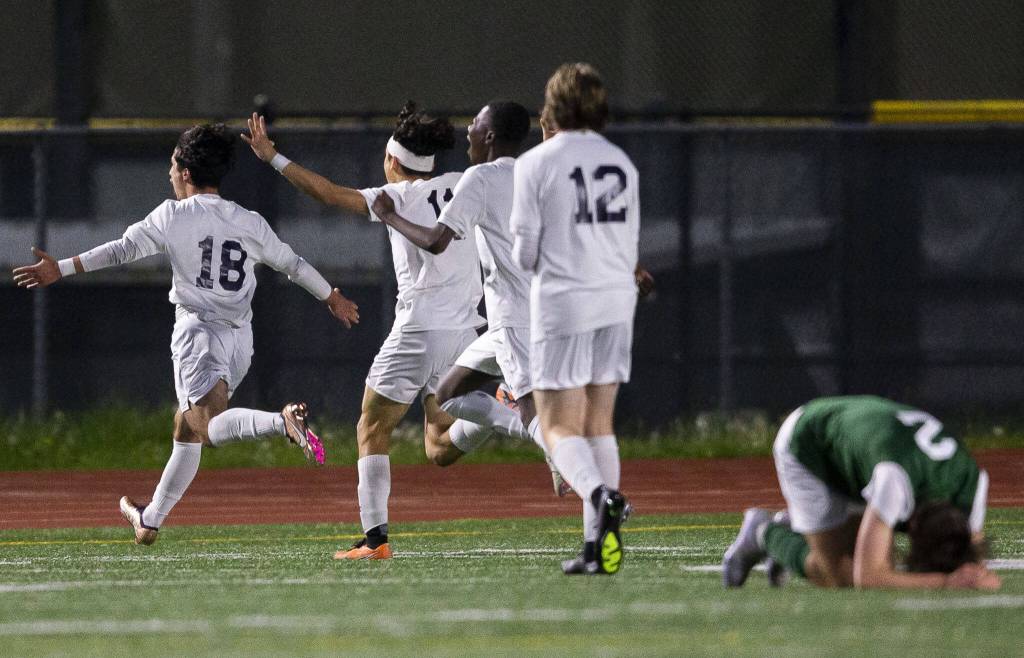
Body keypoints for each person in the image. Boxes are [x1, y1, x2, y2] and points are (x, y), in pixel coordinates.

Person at [12, 124, 359, 546]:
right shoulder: (248, 220)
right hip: (240, 341)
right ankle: (150, 518)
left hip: (198, 334)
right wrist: (332, 297)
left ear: (187, 173)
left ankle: (280, 421)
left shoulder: (173, 216)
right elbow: (295, 265)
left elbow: (122, 249)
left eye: (173, 166)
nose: (170, 174)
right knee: (184, 426)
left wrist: (60, 268)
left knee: (206, 426)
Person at [244, 103, 504, 560]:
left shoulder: (396, 197)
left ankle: (375, 540)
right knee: (440, 446)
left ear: (392, 160)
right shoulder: (466, 183)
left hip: (420, 328)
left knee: (370, 425)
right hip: (465, 328)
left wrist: (272, 158)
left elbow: (326, 193)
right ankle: (492, 408)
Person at [369, 100, 568, 494]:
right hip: (535, 315)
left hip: (516, 315)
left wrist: (389, 215)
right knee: (446, 395)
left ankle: (587, 481)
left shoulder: (480, 177)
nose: (468, 130)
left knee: (533, 414)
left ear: (490, 135)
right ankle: (515, 414)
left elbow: (435, 241)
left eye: (476, 123)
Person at [509, 63, 641, 575]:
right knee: (599, 423)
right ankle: (596, 549)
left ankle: (599, 495)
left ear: (554, 107)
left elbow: (524, 253)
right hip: (616, 299)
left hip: (564, 301)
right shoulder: (622, 163)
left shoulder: (538, 163)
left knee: (558, 424)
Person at [722, 395, 1000, 590]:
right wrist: (946, 583)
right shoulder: (896, 479)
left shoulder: (972, 482)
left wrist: (971, 571)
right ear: (911, 524)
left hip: (862, 446)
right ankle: (764, 532)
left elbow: (971, 554)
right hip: (811, 443)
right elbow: (867, 577)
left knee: (880, 563)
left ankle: (797, 526)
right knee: (839, 576)